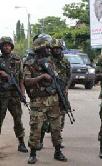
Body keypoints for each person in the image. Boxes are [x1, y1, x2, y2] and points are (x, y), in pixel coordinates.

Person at [24, 36, 67, 164]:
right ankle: (33, 154)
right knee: (36, 128)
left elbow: (56, 77)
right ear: (39, 49)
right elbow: (27, 81)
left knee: (56, 127)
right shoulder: (29, 63)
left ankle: (58, 151)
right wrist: (42, 76)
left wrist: (61, 97)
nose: (49, 50)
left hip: (53, 99)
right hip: (38, 101)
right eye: (46, 47)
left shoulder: (50, 62)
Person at [0, 36, 28, 153]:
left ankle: (21, 142)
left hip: (14, 94)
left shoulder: (17, 59)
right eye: (4, 45)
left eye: (9, 45)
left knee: (18, 119)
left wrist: (22, 93)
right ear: (1, 47)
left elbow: (21, 77)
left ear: (11, 46)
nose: (7, 47)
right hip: (1, 94)